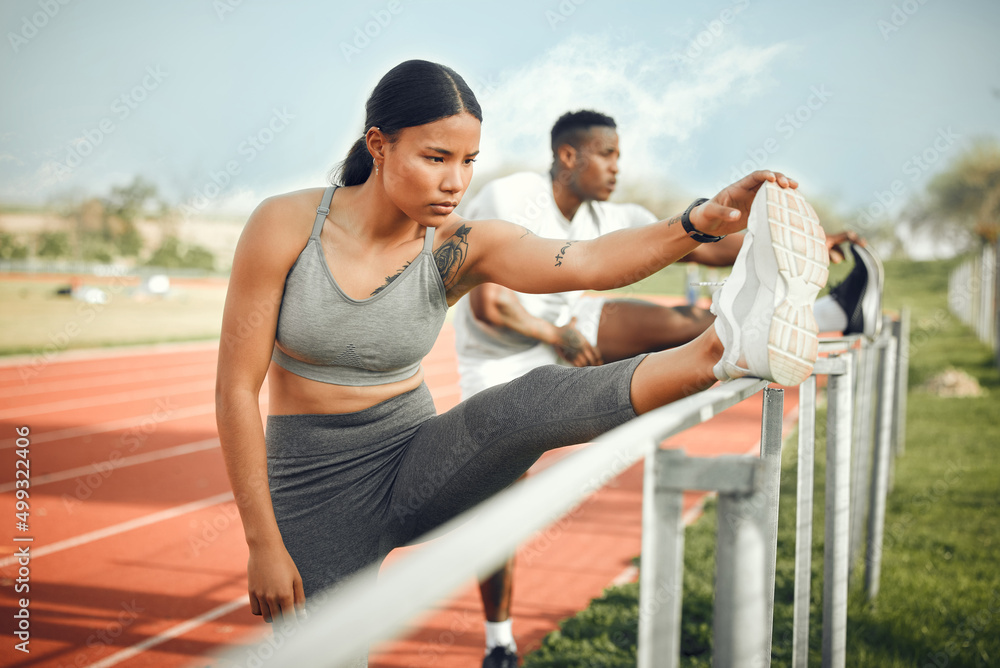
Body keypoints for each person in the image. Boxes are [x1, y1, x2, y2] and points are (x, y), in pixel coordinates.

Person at [214, 59, 829, 667]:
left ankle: (718, 351)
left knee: (522, 402)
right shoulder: (287, 225)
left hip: (414, 460)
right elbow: (237, 390)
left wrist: (697, 220)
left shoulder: (458, 245)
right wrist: (262, 542)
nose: (456, 181)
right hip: (314, 491)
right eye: (436, 158)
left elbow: (588, 262)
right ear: (379, 145)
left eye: (468, 161)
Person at [453, 109, 878, 668]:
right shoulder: (512, 197)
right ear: (567, 156)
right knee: (499, 507)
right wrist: (551, 333)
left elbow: (700, 246)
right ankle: (500, 641)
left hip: (569, 330)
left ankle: (830, 313)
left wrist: (800, 242)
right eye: (606, 154)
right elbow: (488, 306)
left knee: (688, 318)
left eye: (619, 155)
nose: (617, 167)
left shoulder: (607, 214)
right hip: (504, 357)